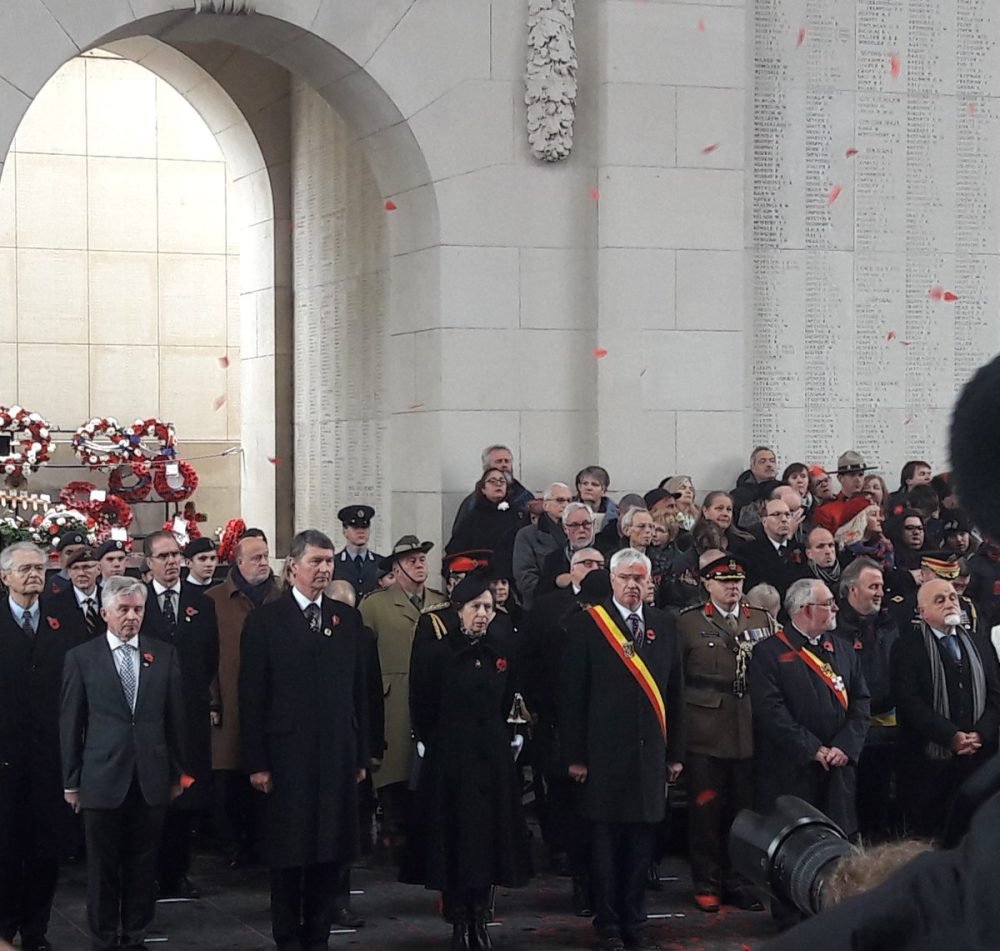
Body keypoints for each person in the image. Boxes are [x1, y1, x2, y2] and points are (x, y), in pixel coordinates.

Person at [239, 530, 370, 951]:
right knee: (289, 856)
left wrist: (361, 753)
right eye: (316, 561)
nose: (324, 569)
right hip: (286, 756)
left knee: (328, 854)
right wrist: (257, 761)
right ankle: (288, 939)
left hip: (334, 753)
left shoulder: (346, 619)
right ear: (293, 566)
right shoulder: (265, 620)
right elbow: (252, 694)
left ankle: (318, 937)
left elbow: (360, 691)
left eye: (329, 561)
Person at [560, 549, 685, 951]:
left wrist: (675, 753)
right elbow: (573, 696)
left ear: (650, 584)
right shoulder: (588, 626)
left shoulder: (665, 626)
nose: (633, 585)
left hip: (649, 757)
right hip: (602, 756)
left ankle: (636, 919)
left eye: (639, 578)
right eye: (625, 578)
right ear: (612, 581)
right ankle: (608, 921)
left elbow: (675, 693)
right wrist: (575, 755)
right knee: (605, 845)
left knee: (641, 845)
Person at [403, 573, 532, 949]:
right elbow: (422, 702)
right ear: (458, 609)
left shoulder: (500, 653)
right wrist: (429, 742)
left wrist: (511, 737)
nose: (482, 614)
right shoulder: (436, 652)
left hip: (491, 758)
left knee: (487, 841)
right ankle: (459, 918)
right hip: (450, 759)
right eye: (475, 607)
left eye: (488, 608)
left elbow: (509, 700)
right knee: (454, 840)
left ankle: (480, 916)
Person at [60, 575, 186, 951]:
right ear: (104, 613)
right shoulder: (82, 658)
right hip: (101, 777)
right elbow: (70, 722)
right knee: (102, 866)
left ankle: (135, 934)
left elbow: (175, 719)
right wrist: (71, 780)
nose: (132, 617)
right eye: (123, 610)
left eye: (138, 609)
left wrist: (180, 772)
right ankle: (102, 937)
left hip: (150, 775)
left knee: (143, 864)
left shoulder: (163, 654)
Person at [676, 552, 775, 914]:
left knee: (744, 812)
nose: (732, 588)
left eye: (736, 582)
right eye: (724, 582)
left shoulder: (761, 618)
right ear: (707, 584)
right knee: (705, 811)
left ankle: (739, 880)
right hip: (705, 728)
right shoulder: (687, 623)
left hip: (748, 726)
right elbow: (678, 678)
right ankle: (707, 881)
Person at [1, 541, 85, 951]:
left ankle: (36, 929)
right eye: (25, 569)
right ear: (5, 577)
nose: (35, 575)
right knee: (5, 845)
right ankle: (4, 927)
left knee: (44, 848)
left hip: (51, 755)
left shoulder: (62, 620)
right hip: (4, 756)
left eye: (40, 568)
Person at [749, 579, 870, 839]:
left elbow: (861, 701)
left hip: (839, 767)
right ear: (806, 609)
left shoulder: (843, 650)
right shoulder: (768, 652)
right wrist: (812, 748)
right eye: (827, 604)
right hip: (792, 769)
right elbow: (770, 710)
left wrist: (845, 746)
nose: (836, 608)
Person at [523, 550, 608, 911]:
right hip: (561, 721)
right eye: (586, 564)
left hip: (607, 729)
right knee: (568, 804)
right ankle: (577, 876)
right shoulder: (552, 613)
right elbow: (533, 664)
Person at [139, 530, 219, 900]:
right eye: (164, 556)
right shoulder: (138, 603)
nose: (172, 562)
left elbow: (209, 659)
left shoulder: (200, 603)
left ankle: (178, 872)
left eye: (176, 555)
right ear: (149, 563)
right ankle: (150, 873)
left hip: (189, 713)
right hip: (151, 713)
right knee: (153, 796)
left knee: (186, 795)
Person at [891, 578, 1000, 839]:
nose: (950, 603)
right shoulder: (907, 646)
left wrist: (980, 734)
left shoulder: (979, 643)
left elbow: (996, 693)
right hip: (928, 761)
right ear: (922, 612)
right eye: (940, 600)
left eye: (952, 597)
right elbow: (909, 701)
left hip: (977, 758)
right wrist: (950, 736)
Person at [360, 536, 444, 851]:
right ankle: (392, 831)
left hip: (429, 694)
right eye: (411, 561)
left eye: (422, 559)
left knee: (424, 771)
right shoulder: (375, 604)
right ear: (396, 568)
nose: (419, 565)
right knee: (393, 770)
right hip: (391, 697)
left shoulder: (439, 600)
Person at [206, 532, 283, 869]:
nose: (263, 563)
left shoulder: (282, 597)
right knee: (229, 778)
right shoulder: (214, 600)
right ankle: (232, 846)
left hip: (275, 702)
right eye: (255, 558)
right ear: (238, 562)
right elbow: (206, 656)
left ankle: (265, 845)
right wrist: (213, 700)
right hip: (230, 699)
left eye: (266, 556)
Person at [834, 558, 901, 840]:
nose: (879, 592)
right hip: (848, 733)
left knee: (882, 803)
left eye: (881, 586)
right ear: (852, 590)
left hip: (888, 731)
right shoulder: (834, 629)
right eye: (873, 586)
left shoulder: (890, 625)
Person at [446, 467, 528, 560]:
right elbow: (456, 549)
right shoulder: (472, 517)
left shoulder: (517, 516)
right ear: (483, 489)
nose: (498, 484)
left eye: (502, 481)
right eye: (492, 481)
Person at [512, 482, 571, 609]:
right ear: (546, 505)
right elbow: (525, 580)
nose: (565, 505)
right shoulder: (527, 535)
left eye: (569, 501)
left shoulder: (578, 533)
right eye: (560, 500)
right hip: (540, 606)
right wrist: (555, 582)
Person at [451, 445, 535, 534]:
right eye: (499, 461)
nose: (504, 465)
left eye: (507, 461)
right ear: (487, 467)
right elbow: (460, 536)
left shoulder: (524, 497)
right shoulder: (472, 502)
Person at [738, 495, 803, 600]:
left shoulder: (800, 549)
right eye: (776, 514)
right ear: (764, 522)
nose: (784, 519)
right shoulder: (749, 551)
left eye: (787, 515)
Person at [813, 451, 876, 535]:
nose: (858, 479)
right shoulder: (826, 510)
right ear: (839, 478)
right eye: (852, 475)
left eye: (861, 474)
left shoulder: (870, 502)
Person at [335, 505, 382, 602]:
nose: (361, 531)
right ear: (344, 531)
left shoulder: (381, 563)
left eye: (364, 527)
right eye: (355, 527)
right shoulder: (334, 563)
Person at [44, 529, 88, 597]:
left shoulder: (95, 581)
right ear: (60, 557)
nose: (75, 557)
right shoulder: (49, 585)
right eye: (69, 553)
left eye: (80, 553)